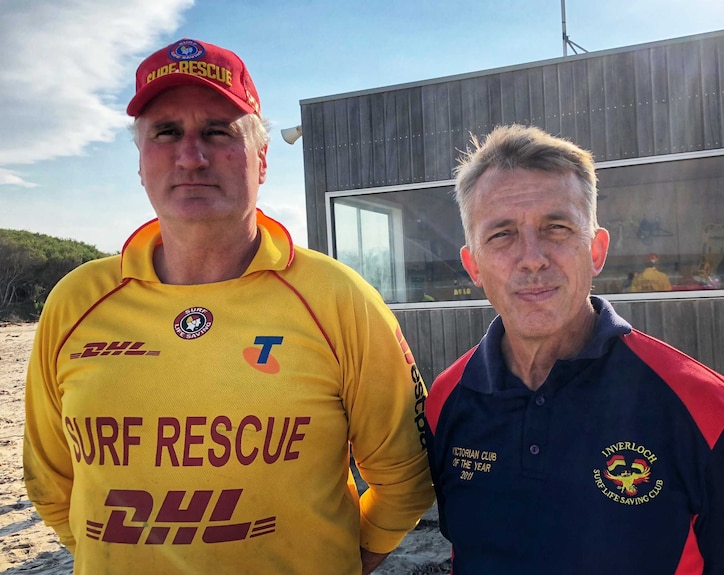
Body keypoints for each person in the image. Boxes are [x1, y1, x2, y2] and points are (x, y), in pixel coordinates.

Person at [23, 38, 434, 575]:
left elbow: (408, 481)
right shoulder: (75, 301)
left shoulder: (339, 299)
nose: (191, 156)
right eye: (166, 132)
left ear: (261, 159)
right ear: (140, 162)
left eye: (218, 132)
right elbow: (50, 485)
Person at [425, 124, 724, 574]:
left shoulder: (707, 407)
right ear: (473, 264)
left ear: (597, 250)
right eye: (501, 235)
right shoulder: (446, 399)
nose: (532, 257)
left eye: (557, 227)